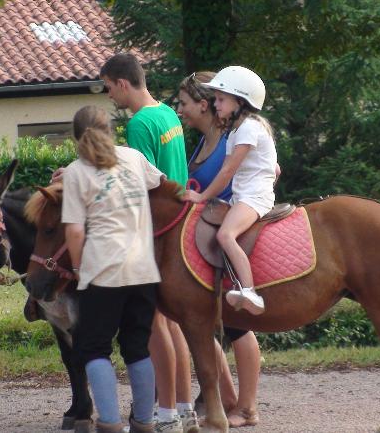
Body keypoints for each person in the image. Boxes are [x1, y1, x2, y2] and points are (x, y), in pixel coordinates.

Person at [99, 53, 196, 433]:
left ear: (123, 83)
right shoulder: (169, 114)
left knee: (157, 326)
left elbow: (141, 185)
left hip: (155, 232)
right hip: (180, 223)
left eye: (108, 87)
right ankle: (185, 408)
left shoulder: (140, 124)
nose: (109, 95)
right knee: (176, 327)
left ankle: (165, 411)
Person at [61, 106, 163, 433]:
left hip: (103, 270)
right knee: (137, 346)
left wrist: (78, 269)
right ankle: (145, 422)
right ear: (112, 129)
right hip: (144, 268)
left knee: (93, 347)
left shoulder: (76, 171)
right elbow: (161, 183)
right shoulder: (133, 158)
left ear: (76, 137)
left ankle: (109, 423)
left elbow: (75, 232)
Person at [177, 71, 261, 428]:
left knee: (238, 325)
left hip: (225, 227)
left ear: (204, 104)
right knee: (203, 323)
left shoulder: (232, 135)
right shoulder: (205, 139)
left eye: (183, 102)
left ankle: (247, 404)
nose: (178, 109)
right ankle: (228, 399)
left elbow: (253, 168)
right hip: (203, 229)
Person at [182, 66, 278, 316]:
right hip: (245, 196)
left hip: (253, 198)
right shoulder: (237, 130)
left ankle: (249, 290)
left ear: (240, 101)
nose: (217, 104)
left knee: (225, 235)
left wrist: (202, 197)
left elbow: (226, 173)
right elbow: (274, 169)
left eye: (221, 99)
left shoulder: (247, 129)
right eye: (216, 99)